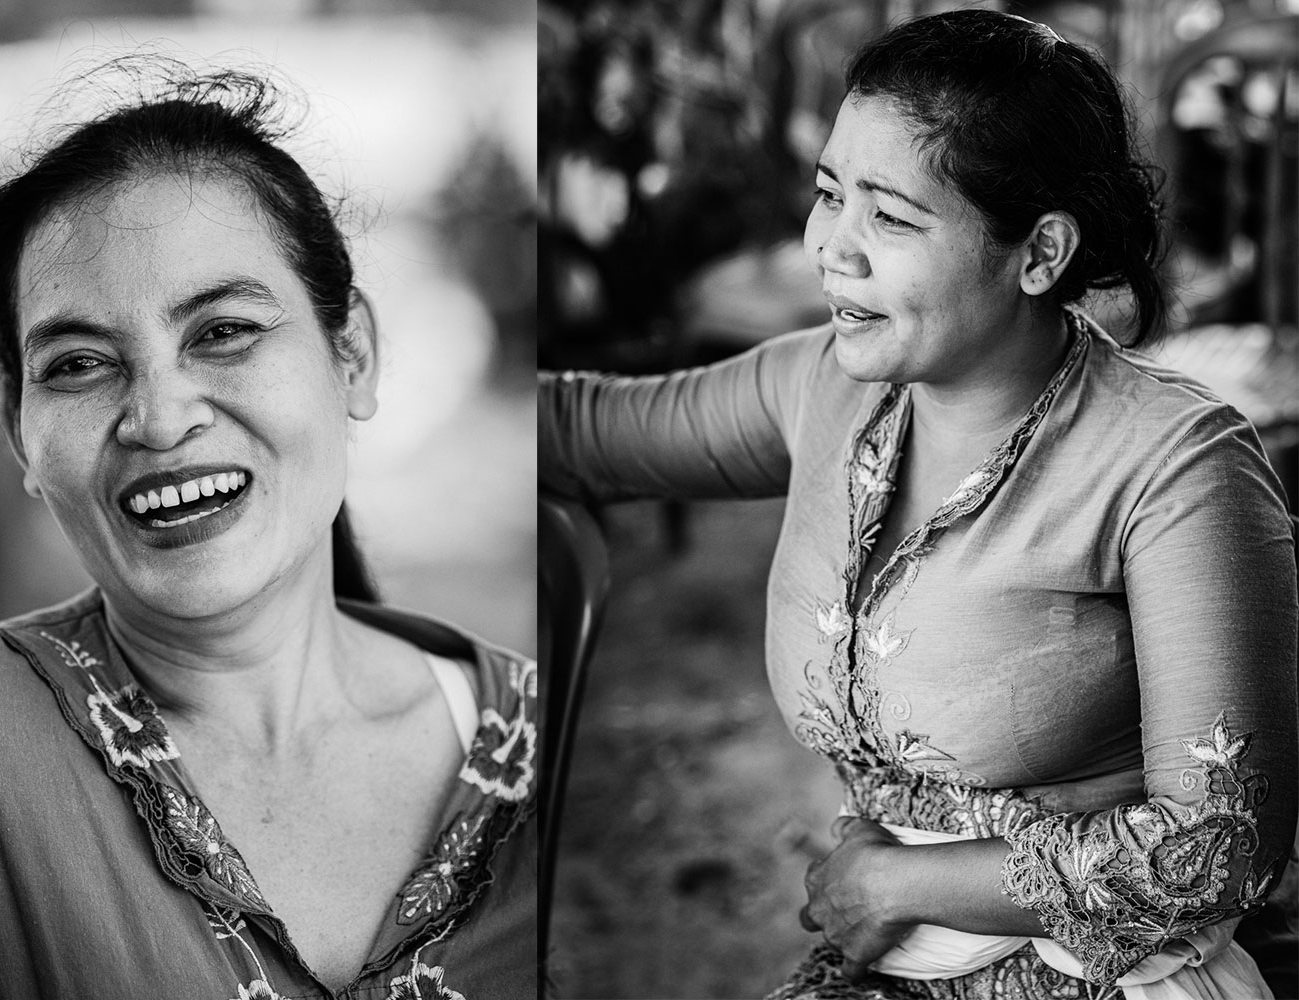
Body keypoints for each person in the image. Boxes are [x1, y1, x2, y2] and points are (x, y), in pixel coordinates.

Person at [539, 10, 1296, 1000]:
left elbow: (1221, 846)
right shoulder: (826, 386)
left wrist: (897, 880)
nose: (829, 249)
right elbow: (576, 428)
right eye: (827, 194)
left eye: (890, 217)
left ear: (1039, 252)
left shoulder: (1177, 466)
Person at [0, 64, 535, 998]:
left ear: (351, 355)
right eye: (77, 363)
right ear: (21, 437)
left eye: (223, 331)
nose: (158, 415)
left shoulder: (545, 747)